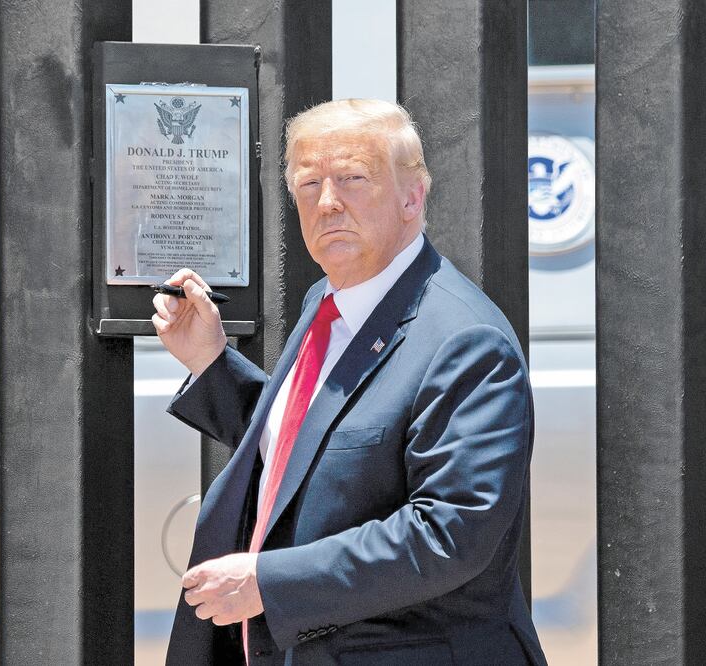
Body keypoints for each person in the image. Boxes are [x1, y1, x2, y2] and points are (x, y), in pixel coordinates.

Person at [152, 99, 547, 666]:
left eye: (353, 179)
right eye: (309, 184)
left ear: (413, 197)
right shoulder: (330, 300)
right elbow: (320, 448)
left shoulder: (465, 339)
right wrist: (213, 364)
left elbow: (448, 535)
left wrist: (269, 581)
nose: (328, 202)